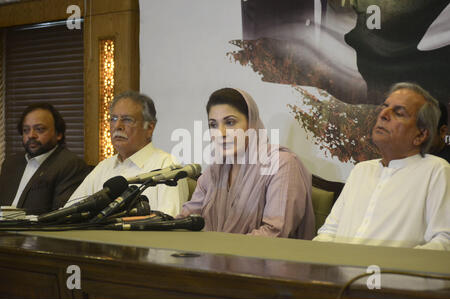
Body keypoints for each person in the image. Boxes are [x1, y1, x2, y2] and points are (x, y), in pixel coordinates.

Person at [314, 82, 450, 250]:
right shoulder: (361, 170)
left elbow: (443, 242)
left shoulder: (436, 171)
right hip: (339, 273)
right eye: (385, 107)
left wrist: (387, 269)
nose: (384, 114)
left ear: (421, 134)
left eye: (399, 113)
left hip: (393, 275)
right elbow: (329, 232)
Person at [177, 88, 315, 239]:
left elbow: (276, 232)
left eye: (230, 122)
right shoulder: (214, 171)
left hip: (262, 261)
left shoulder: (281, 164)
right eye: (213, 125)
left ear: (251, 124)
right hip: (212, 258)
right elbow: (187, 221)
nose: (221, 133)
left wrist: (220, 252)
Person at [68, 91, 189, 217]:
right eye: (113, 119)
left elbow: (169, 221)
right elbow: (69, 212)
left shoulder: (168, 166)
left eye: (127, 120)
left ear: (149, 128)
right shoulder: (103, 167)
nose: (117, 126)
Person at [0, 103, 90, 215]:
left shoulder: (70, 164)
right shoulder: (11, 163)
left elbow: (60, 215)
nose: (31, 135)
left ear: (58, 134)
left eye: (39, 129)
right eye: (26, 130)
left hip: (33, 230)